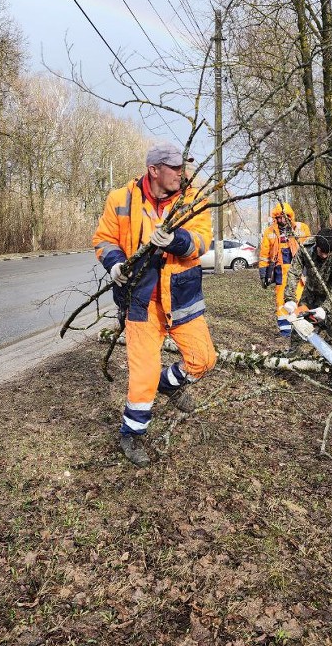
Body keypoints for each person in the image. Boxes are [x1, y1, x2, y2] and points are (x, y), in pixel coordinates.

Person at [92, 142, 217, 467]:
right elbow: (104, 239)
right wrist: (115, 263)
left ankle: (169, 384)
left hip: (182, 297)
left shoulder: (192, 199)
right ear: (154, 170)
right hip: (141, 302)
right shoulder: (121, 199)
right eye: (175, 168)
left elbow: (204, 239)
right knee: (143, 376)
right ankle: (131, 434)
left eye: (183, 167)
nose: (182, 173)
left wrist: (177, 241)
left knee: (203, 359)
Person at [282, 227, 332, 346]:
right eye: (322, 252)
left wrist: (325, 308)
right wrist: (290, 298)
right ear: (316, 244)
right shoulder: (306, 249)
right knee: (298, 326)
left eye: (328, 253)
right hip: (310, 294)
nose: (325, 256)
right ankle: (291, 357)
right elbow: (294, 272)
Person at [258, 202, 310, 337]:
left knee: (299, 298)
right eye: (279, 217)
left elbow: (310, 248)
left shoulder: (301, 228)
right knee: (281, 300)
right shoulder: (270, 232)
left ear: (289, 216)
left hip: (298, 270)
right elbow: (264, 255)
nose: (282, 220)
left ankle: (299, 327)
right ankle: (285, 330)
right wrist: (263, 274)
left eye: (284, 217)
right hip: (280, 270)